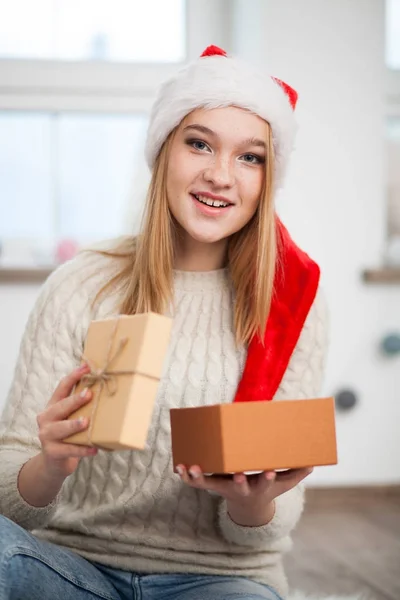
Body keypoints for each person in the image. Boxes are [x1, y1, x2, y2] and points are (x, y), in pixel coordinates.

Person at [0, 45, 328, 600]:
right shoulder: (82, 284)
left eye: (251, 157)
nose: (221, 175)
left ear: (268, 179)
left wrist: (251, 500)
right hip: (76, 567)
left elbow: (263, 531)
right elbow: (12, 494)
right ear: (163, 153)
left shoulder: (290, 302)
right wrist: (51, 463)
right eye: (199, 143)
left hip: (218, 578)